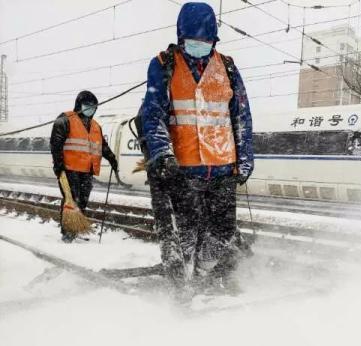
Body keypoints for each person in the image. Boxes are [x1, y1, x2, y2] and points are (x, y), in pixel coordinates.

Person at [141, 2, 254, 295]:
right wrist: (163, 154)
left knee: (222, 232)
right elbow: (152, 115)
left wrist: (245, 159)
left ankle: (203, 274)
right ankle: (184, 286)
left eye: (206, 41)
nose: (199, 46)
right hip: (184, 168)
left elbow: (241, 115)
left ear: (214, 39)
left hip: (223, 167)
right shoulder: (164, 65)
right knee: (187, 234)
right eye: (193, 41)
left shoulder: (227, 67)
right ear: (181, 38)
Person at [50, 90, 119, 242]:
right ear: (78, 105)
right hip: (69, 169)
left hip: (87, 171)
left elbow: (102, 146)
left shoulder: (96, 126)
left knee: (82, 201)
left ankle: (75, 227)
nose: (90, 108)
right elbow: (56, 144)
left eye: (93, 106)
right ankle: (68, 233)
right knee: (71, 200)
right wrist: (58, 165)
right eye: (87, 105)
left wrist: (112, 158)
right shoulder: (65, 119)